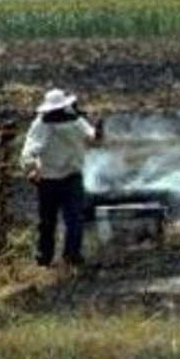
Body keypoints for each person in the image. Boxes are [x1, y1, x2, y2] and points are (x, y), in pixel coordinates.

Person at [20, 89, 103, 266]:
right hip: (59, 179)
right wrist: (31, 170)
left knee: (59, 221)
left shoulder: (56, 123)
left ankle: (57, 256)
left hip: (58, 179)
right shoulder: (53, 124)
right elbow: (94, 138)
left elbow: (29, 152)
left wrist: (31, 170)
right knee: (62, 221)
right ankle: (58, 255)